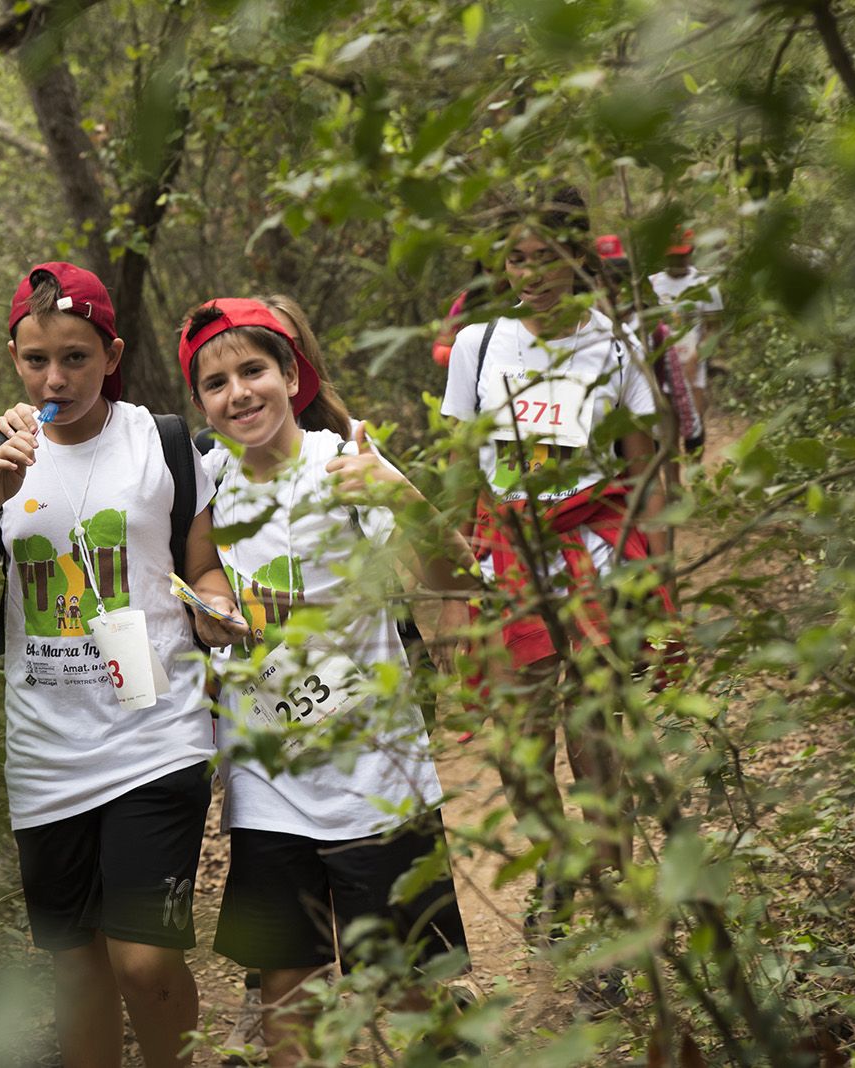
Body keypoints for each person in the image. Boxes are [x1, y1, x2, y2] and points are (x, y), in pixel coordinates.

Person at [0, 261, 248, 1068]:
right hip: (46, 754)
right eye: (37, 359)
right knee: (78, 973)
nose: (55, 379)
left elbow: (202, 565)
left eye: (75, 358)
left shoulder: (161, 444)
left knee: (142, 963)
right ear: (13, 358)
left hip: (156, 735)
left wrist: (216, 609)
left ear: (111, 355)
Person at [177, 296, 477, 1067]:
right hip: (268, 785)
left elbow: (453, 575)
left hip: (377, 781)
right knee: (289, 999)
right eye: (216, 383)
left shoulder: (342, 464)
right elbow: (203, 566)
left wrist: (395, 492)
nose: (238, 393)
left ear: (292, 375)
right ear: (201, 401)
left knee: (406, 992)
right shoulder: (208, 477)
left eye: (253, 371)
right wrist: (212, 607)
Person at [439, 189, 676, 950]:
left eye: (547, 256)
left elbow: (646, 475)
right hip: (509, 563)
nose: (532, 272)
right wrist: (452, 584)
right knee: (520, 746)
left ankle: (611, 913)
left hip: (595, 561)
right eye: (517, 258)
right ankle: (558, 864)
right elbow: (461, 470)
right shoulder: (480, 344)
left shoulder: (617, 346)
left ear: (579, 256)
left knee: (596, 737)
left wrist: (660, 592)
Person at [596, 233, 703, 500]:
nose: (612, 293)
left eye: (618, 284)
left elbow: (677, 383)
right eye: (604, 285)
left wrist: (692, 430)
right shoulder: (586, 331)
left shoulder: (653, 330)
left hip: (646, 420)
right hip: (604, 426)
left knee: (648, 483)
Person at [649, 228, 724, 423]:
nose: (677, 261)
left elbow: (714, 329)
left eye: (681, 255)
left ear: (690, 252)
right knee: (667, 424)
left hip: (692, 360)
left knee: (694, 422)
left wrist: (696, 358)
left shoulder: (705, 284)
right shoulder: (653, 284)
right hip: (661, 361)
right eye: (673, 256)